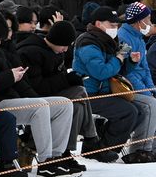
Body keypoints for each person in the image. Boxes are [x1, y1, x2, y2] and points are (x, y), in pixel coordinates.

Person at [0, 12, 77, 177]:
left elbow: (18, 81)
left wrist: (31, 93)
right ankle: (45, 161)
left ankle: (56, 156)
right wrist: (10, 77)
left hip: (14, 97)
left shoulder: (1, 50)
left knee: (64, 104)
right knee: (40, 106)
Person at [17, 20, 110, 162]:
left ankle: (66, 151)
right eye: (64, 45)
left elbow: (56, 77)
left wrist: (68, 78)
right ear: (55, 40)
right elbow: (37, 87)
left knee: (77, 105)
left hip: (52, 95)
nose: (66, 50)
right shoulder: (31, 52)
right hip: (35, 98)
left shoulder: (55, 50)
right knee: (79, 91)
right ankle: (92, 139)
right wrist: (67, 80)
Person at [72, 6, 142, 162]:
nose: (115, 28)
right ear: (98, 24)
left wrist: (130, 61)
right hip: (87, 94)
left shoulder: (108, 41)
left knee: (139, 110)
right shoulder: (87, 42)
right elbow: (101, 72)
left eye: (117, 25)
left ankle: (96, 145)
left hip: (103, 91)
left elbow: (117, 71)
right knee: (128, 112)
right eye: (111, 25)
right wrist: (118, 57)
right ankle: (104, 149)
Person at [117, 3, 156, 163]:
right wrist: (146, 92)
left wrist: (151, 87)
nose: (150, 23)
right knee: (151, 105)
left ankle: (152, 147)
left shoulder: (138, 37)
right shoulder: (123, 37)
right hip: (127, 85)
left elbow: (145, 68)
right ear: (138, 21)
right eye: (147, 19)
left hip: (141, 82)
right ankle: (140, 149)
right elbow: (127, 71)